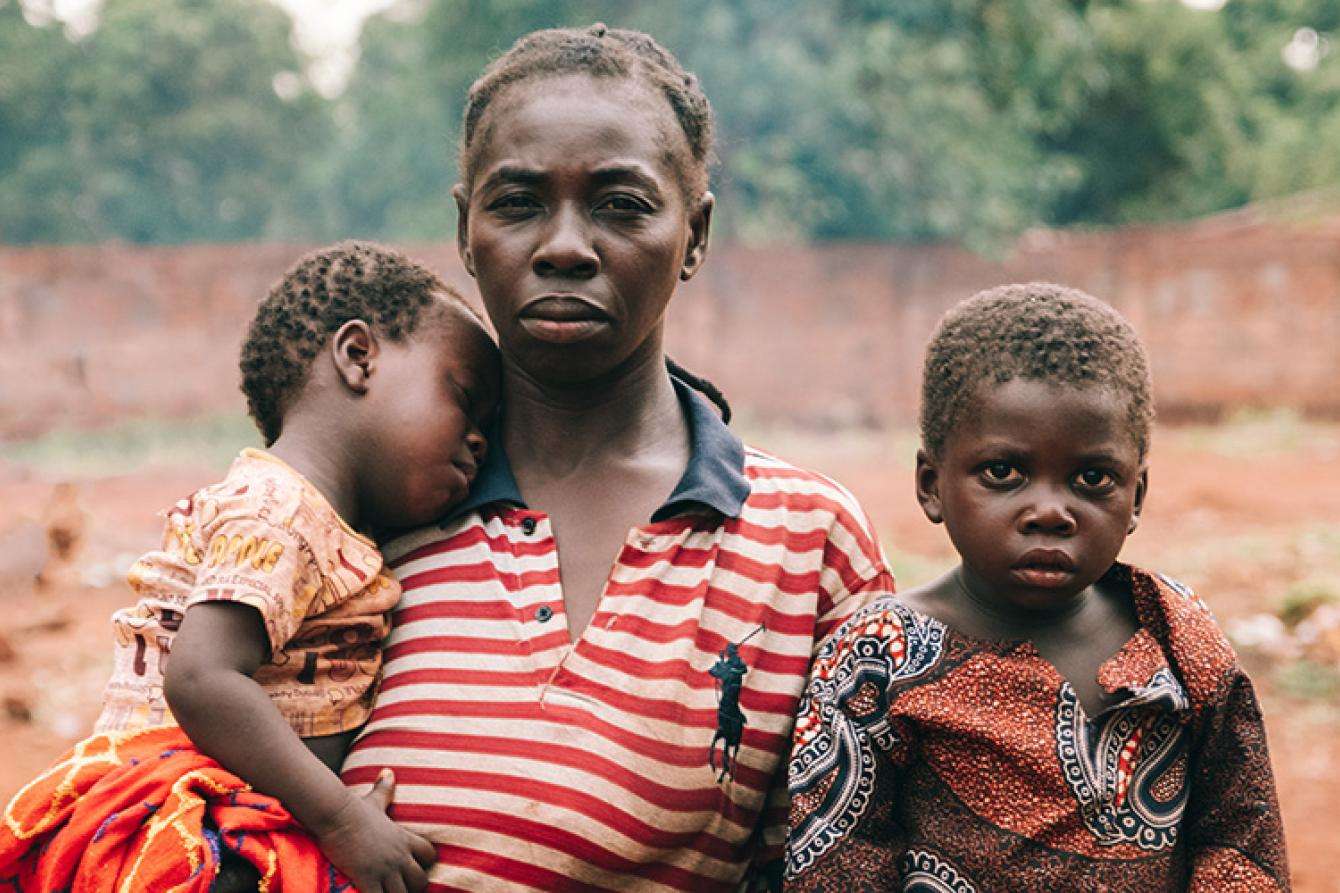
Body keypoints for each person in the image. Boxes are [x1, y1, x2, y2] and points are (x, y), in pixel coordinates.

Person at [338, 24, 895, 892]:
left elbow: (849, 864)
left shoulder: (807, 541)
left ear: (696, 235)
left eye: (620, 204)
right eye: (518, 201)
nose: (565, 245)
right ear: (463, 227)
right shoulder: (361, 510)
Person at [0, 241, 500, 893]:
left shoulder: (327, 521)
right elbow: (203, 678)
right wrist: (342, 819)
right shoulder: (278, 507)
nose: (481, 440)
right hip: (183, 823)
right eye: (466, 398)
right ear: (358, 357)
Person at [784, 283, 1290, 891]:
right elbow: (841, 866)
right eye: (1003, 472)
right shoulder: (877, 659)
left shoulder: (1178, 631)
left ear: (1137, 498)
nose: (1051, 510)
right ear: (931, 484)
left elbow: (1241, 831)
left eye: (1093, 477)